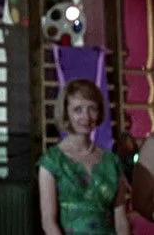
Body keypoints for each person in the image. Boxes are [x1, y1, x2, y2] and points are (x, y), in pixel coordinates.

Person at [38, 78, 129, 235]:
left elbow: (121, 220)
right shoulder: (51, 161)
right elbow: (48, 223)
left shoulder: (111, 161)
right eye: (78, 109)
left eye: (92, 108)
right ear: (66, 113)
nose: (86, 117)